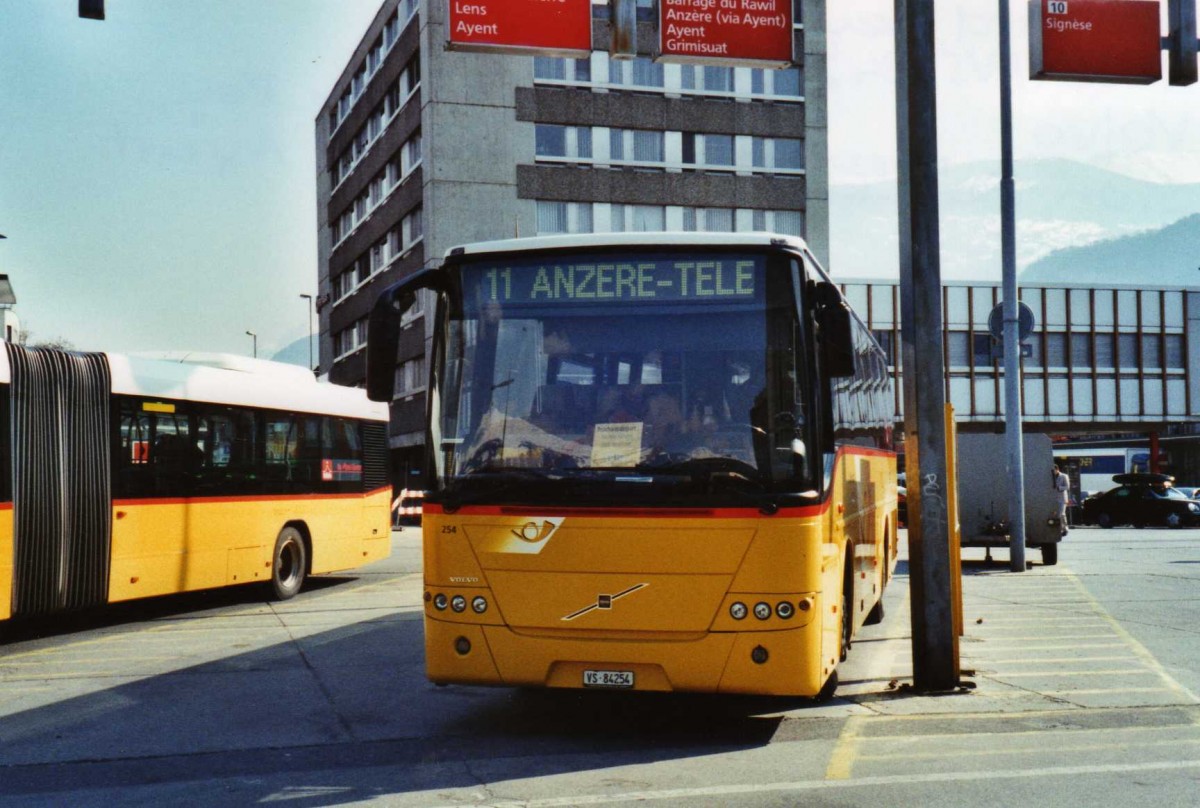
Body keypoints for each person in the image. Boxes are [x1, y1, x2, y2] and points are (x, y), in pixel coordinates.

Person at [1052, 465, 1070, 535]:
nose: (1053, 472)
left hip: (1062, 498)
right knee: (1056, 515)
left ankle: (1065, 528)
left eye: (1054, 470)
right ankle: (1061, 529)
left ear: (1057, 469)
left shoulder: (1064, 476)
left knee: (1061, 514)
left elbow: (1067, 486)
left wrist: (1059, 488)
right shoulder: (1052, 477)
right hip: (1054, 498)